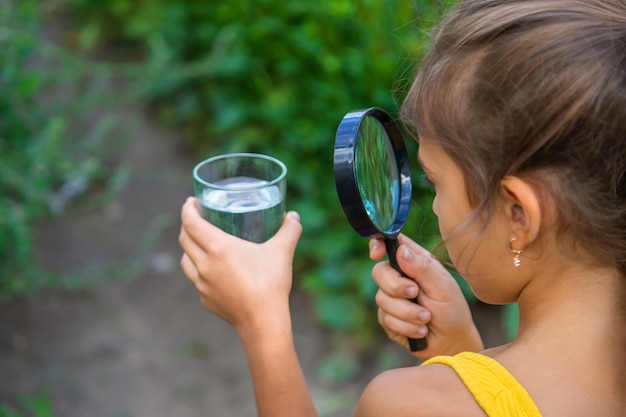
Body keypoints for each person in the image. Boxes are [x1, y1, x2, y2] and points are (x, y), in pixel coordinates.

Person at [178, 0, 626, 415]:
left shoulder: (410, 406)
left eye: (435, 180)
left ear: (519, 216)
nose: (434, 207)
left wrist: (262, 322)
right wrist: (465, 358)